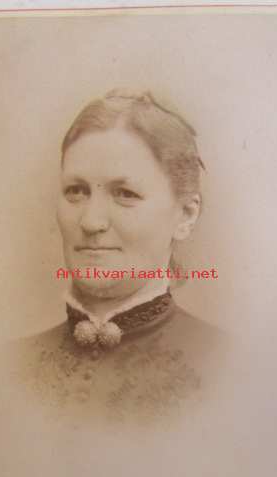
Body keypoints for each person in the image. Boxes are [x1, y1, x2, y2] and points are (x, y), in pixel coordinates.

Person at [12, 89, 225, 423]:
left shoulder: (228, 372)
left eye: (125, 194)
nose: (91, 221)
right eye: (76, 191)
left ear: (186, 215)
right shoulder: (1, 373)